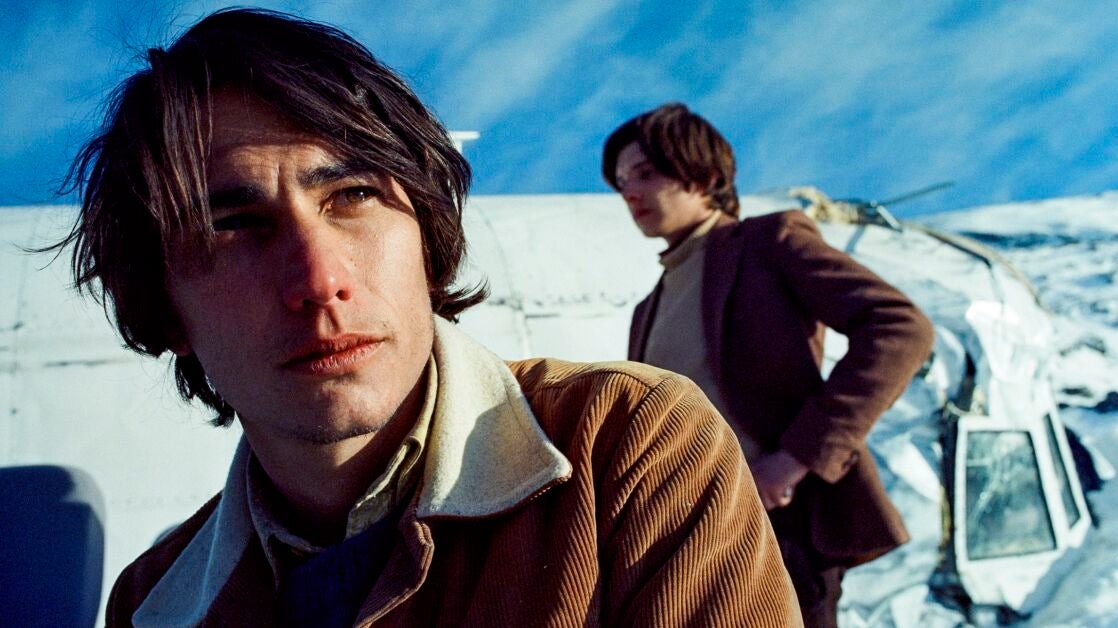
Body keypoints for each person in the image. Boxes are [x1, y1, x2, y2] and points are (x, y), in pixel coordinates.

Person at [53, 10, 802, 627]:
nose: (319, 281)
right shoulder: (148, 599)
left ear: (427, 240)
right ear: (165, 308)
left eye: (353, 196)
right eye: (234, 226)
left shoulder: (630, 445)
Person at [602, 103, 935, 627]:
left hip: (783, 531)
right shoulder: (648, 309)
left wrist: (795, 458)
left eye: (645, 173)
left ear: (705, 178)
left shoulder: (767, 241)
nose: (630, 193)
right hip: (691, 549)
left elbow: (899, 327)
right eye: (621, 182)